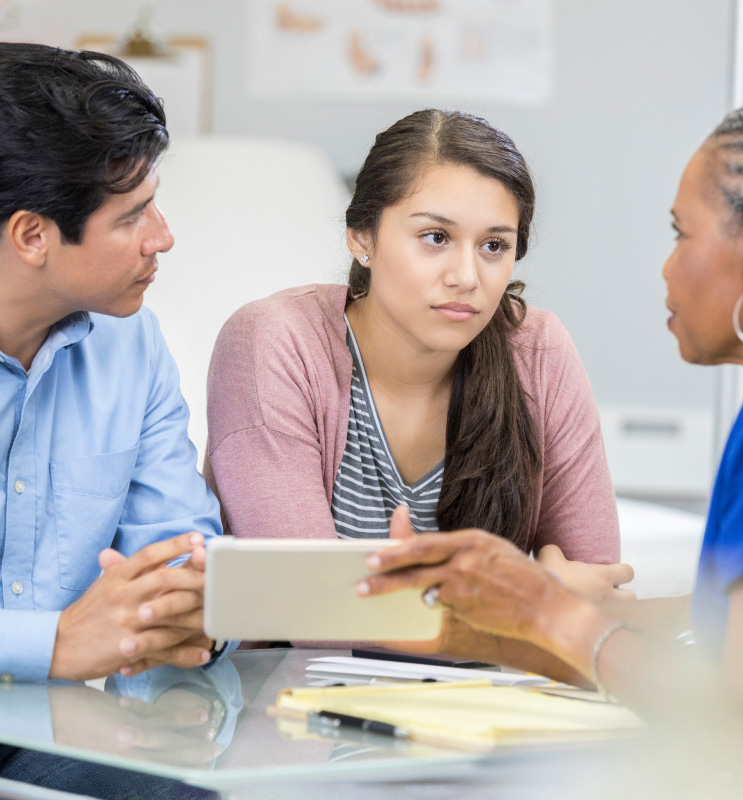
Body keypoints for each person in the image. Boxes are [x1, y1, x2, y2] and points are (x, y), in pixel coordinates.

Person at [358, 36, 743, 750]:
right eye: (436, 238)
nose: (666, 266)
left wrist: (543, 613)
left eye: (680, 233)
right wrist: (529, 609)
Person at [205, 109, 633, 617]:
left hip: (485, 692)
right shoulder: (275, 341)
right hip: (287, 691)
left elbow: (599, 597)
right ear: (362, 236)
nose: (466, 276)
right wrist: (531, 599)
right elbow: (308, 608)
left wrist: (410, 602)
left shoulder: (538, 352)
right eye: (436, 237)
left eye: (494, 245)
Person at [0, 42, 225, 799]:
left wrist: (194, 609)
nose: (163, 237)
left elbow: (179, 548)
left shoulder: (132, 344)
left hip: (48, 727)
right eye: (133, 216)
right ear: (32, 236)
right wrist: (55, 643)